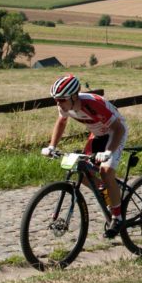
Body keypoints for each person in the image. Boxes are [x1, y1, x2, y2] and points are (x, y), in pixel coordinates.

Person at [41, 74, 129, 238]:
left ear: (74, 96)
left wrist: (108, 152)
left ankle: (117, 217)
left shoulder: (93, 104)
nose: (58, 103)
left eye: (62, 99)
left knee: (106, 171)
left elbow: (119, 129)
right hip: (97, 134)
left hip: (115, 133)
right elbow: (61, 122)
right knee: (80, 169)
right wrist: (52, 146)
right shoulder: (65, 105)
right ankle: (107, 190)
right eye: (56, 99)